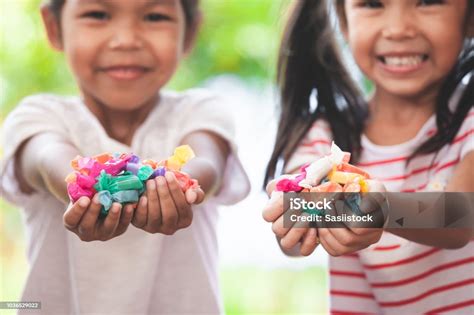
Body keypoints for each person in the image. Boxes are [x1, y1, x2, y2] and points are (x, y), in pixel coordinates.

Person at [0, 0, 249, 313]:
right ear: (53, 27)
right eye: (97, 14)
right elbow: (46, 157)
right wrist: (82, 188)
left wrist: (182, 187)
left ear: (190, 32)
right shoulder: (38, 116)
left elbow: (205, 163)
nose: (127, 39)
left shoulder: (201, 111)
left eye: (154, 16)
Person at [263, 0, 473, 313]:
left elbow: (460, 217)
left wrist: (381, 210)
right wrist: (296, 208)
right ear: (344, 22)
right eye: (373, 4)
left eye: (428, 2)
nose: (399, 29)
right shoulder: (323, 134)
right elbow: (292, 225)